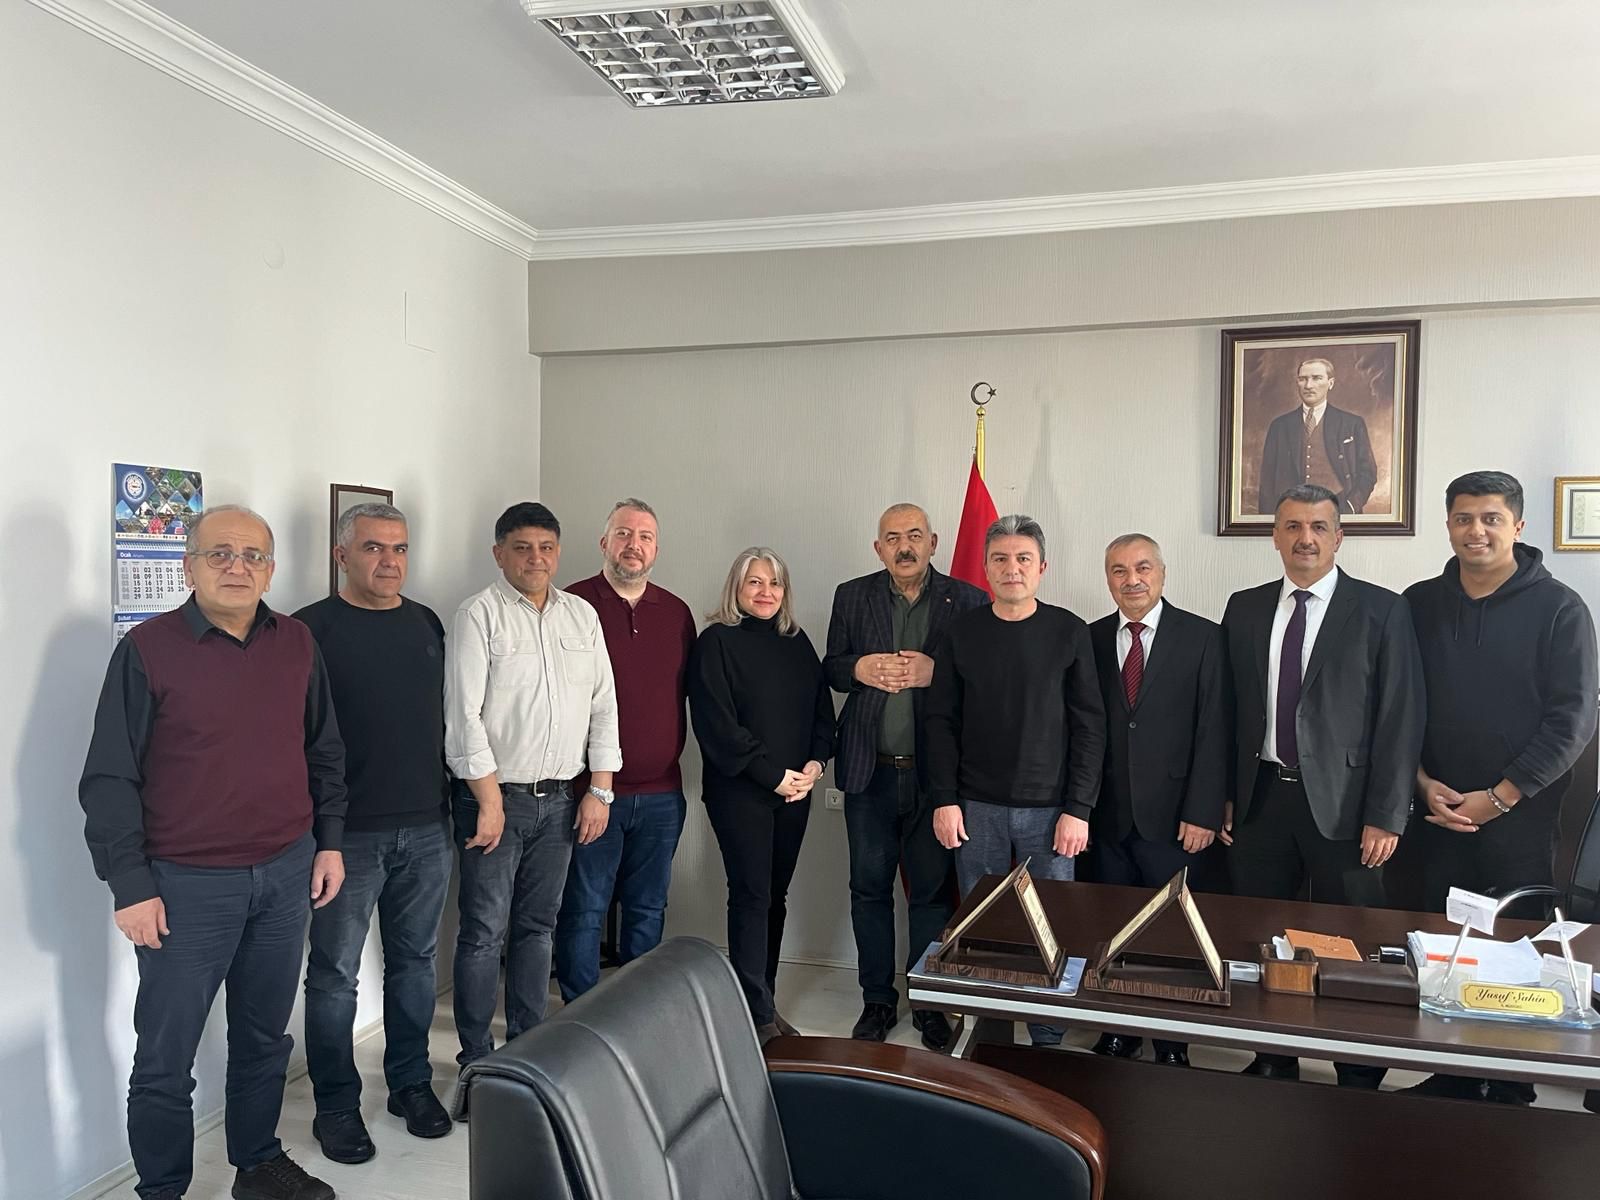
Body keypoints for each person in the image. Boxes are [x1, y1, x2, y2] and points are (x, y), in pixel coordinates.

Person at [80, 505, 346, 1200]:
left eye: (253, 555)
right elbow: (109, 778)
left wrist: (329, 843)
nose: (237, 567)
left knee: (264, 1040)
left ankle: (257, 1165)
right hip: (185, 887)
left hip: (285, 874)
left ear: (271, 570)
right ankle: (162, 1189)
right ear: (189, 566)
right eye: (220, 553)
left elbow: (323, 749)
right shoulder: (148, 650)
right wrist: (130, 884)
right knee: (165, 1060)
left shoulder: (297, 643)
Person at [1403, 471, 1598, 1103]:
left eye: (1491, 518)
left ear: (1517, 525)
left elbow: (1573, 720)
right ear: (1448, 525)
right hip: (1435, 811)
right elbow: (1397, 705)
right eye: (1464, 518)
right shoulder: (1418, 603)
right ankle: (1453, 1073)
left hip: (1521, 817)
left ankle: (1512, 1085)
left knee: (1512, 950)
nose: (1476, 531)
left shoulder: (1561, 608)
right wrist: (1420, 782)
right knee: (1441, 945)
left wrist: (1501, 797)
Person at [1220, 483, 1424, 1085]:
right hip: (1260, 797)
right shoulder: (1244, 607)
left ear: (1339, 537)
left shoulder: (1382, 610)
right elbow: (1229, 711)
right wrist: (1224, 794)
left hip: (1348, 806)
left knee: (1353, 936)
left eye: (1317, 527)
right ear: (1274, 536)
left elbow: (1401, 717)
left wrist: (1387, 813)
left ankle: (1357, 1067)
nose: (1304, 538)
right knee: (1260, 933)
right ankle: (1274, 1055)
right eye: (1291, 526)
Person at [295, 503, 452, 1162]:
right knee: (334, 976)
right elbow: (295, 738)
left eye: (400, 548)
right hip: (345, 837)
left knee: (415, 965)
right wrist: (320, 834)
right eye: (373, 548)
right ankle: (335, 1105)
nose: (390, 561)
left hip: (427, 828)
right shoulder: (308, 631)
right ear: (341, 556)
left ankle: (409, 1084)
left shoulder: (426, 623)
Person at [445, 502, 620, 1069]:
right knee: (483, 933)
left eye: (546, 548)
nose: (535, 558)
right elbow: (463, 717)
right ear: (499, 554)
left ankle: (528, 1050)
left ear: (559, 552)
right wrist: (489, 802)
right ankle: (477, 1060)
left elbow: (603, 705)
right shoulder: (478, 615)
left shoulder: (581, 616)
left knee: (538, 929)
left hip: (562, 799)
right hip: (497, 801)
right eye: (522, 548)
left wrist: (600, 789)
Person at [925, 514, 1105, 1046]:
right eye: (1000, 559)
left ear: (1042, 567)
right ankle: (989, 1035)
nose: (1012, 568)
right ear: (985, 568)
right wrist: (944, 799)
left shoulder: (1069, 631)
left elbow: (1089, 727)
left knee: (1051, 926)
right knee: (981, 926)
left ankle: (1047, 1037)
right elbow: (940, 722)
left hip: (1051, 812)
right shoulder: (961, 633)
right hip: (975, 808)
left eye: (1023, 558)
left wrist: (1079, 808)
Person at [823, 503, 986, 1049]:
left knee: (932, 895)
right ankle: (876, 1000)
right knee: (868, 891)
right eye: (892, 538)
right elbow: (831, 667)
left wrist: (937, 672)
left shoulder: (968, 599)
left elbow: (986, 680)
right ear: (879, 549)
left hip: (935, 780)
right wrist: (859, 668)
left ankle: (929, 1003)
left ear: (934, 542)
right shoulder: (852, 595)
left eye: (914, 535)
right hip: (869, 773)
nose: (904, 546)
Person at [1087, 533, 1229, 1067]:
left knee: (1173, 935)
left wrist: (1204, 810)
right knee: (1111, 928)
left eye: (1143, 567)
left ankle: (1172, 1042)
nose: (1132, 580)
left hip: (1176, 818)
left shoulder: (1203, 636)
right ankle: (1117, 1030)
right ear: (1108, 579)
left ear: (1163, 573)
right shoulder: (1091, 638)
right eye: (1119, 570)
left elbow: (1215, 729)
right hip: (1107, 817)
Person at [688, 547, 835, 1041]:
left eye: (774, 583)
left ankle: (763, 1001)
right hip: (741, 791)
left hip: (795, 791)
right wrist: (771, 775)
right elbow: (717, 724)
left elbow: (821, 712)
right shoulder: (715, 643)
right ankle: (754, 1014)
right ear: (737, 587)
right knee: (751, 895)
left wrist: (815, 765)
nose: (765, 592)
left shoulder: (797, 642)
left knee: (775, 897)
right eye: (755, 582)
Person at [555, 499, 695, 1001]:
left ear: (657, 548)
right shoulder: (571, 605)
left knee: (648, 908)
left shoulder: (676, 613)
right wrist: (595, 788)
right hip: (591, 792)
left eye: (645, 537)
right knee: (585, 907)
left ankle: (635, 1013)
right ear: (604, 542)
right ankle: (580, 1013)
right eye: (623, 534)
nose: (634, 545)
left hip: (662, 795)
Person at [1256, 357, 1378, 515]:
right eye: (1303, 379)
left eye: (1316, 378)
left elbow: (1367, 473)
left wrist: (1350, 506)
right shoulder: (1279, 426)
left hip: (1339, 512)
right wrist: (1268, 520)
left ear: (1330, 383)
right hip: (1292, 515)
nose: (1308, 385)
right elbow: (1267, 481)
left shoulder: (1352, 424)